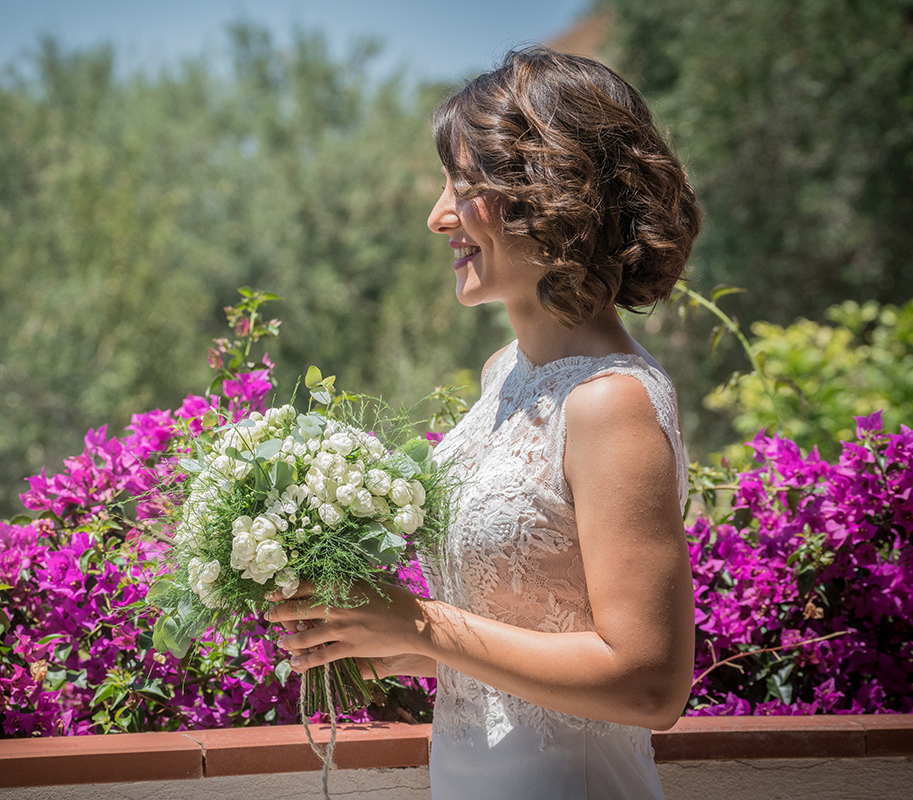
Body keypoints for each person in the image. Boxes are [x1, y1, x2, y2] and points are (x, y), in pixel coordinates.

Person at [267, 45, 700, 798]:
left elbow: (649, 686)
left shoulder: (610, 401)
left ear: (553, 195)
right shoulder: (504, 373)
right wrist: (379, 640)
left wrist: (421, 626)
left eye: (464, 187)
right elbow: (530, 628)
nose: (439, 217)